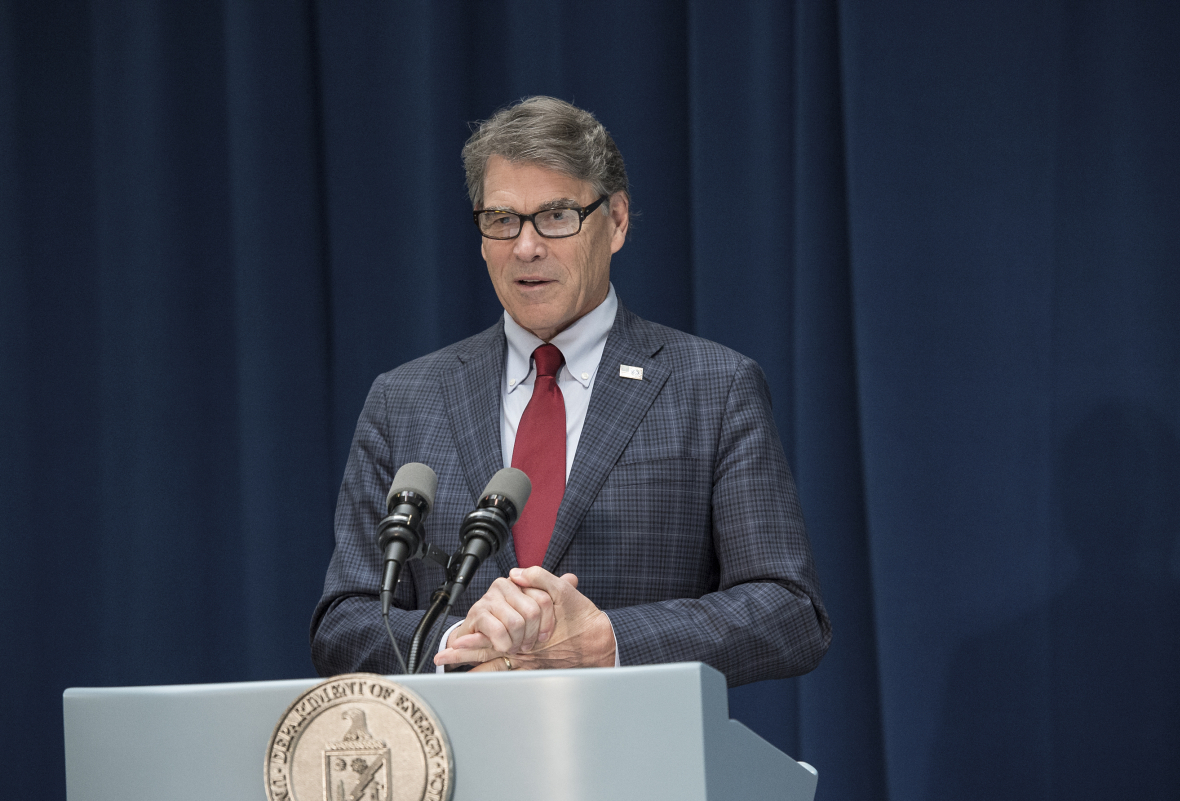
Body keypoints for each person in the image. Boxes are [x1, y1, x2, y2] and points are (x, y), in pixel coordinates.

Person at [310, 97, 829, 686]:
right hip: (460, 763)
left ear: (617, 222)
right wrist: (458, 637)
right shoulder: (403, 400)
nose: (526, 246)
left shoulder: (713, 388)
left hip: (640, 761)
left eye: (556, 216)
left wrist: (608, 642)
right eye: (503, 219)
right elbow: (345, 622)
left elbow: (789, 612)